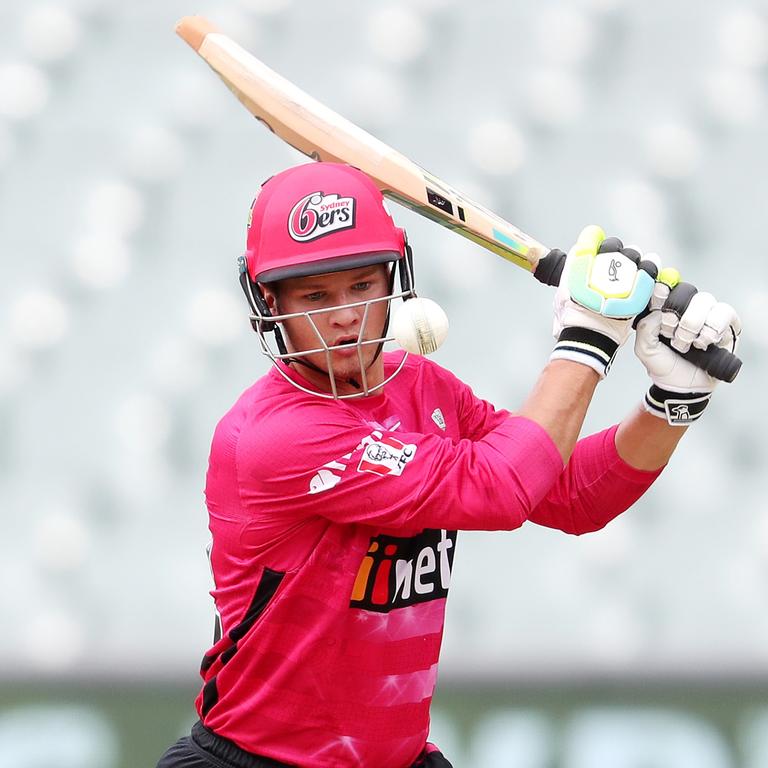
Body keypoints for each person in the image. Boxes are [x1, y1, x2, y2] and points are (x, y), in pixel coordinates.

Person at [156, 162, 741, 768]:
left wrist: (672, 403)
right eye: (314, 296)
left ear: (394, 280)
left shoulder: (422, 388)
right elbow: (500, 489)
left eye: (361, 286)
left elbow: (568, 493)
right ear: (269, 302)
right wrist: (588, 339)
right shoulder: (277, 436)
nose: (344, 316)